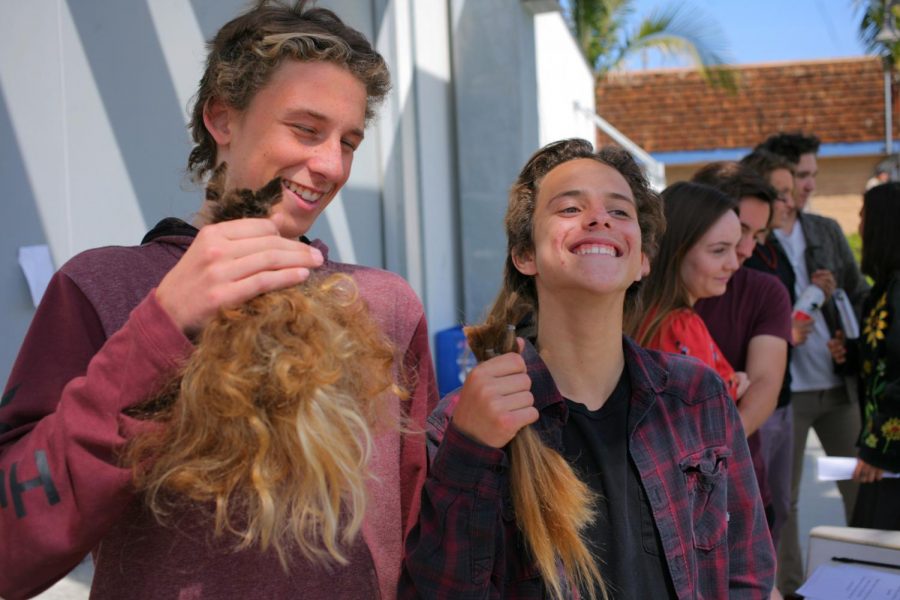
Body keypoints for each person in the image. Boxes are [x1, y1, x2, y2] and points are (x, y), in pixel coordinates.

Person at [0, 3, 436, 599]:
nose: (331, 165)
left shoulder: (386, 306)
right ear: (222, 118)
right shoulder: (102, 288)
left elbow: (422, 538)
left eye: (350, 141)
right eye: (306, 129)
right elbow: (10, 544)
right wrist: (161, 326)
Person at [401, 139, 774, 599]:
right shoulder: (467, 421)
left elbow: (747, 575)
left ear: (642, 261)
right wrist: (471, 449)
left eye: (619, 212)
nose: (599, 219)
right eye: (570, 207)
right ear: (525, 255)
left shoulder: (698, 395)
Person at [757, 131, 869, 596]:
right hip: (786, 394)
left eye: (812, 176)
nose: (808, 186)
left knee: (858, 486)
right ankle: (795, 589)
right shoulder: (755, 240)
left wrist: (849, 338)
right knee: (787, 503)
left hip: (836, 390)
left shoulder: (824, 229)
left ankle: (866, 578)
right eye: (801, 176)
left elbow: (859, 296)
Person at [633, 181, 748, 404]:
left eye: (735, 247)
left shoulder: (641, 315)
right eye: (719, 250)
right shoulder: (680, 326)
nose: (734, 264)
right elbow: (700, 416)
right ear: (677, 250)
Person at [738, 149, 801, 548]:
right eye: (780, 192)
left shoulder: (775, 255)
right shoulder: (747, 265)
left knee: (776, 508)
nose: (789, 202)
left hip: (777, 401)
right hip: (754, 408)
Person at [847, 182, 900, 530]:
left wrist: (877, 448)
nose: (860, 226)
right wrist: (850, 353)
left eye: (865, 216)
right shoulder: (885, 287)